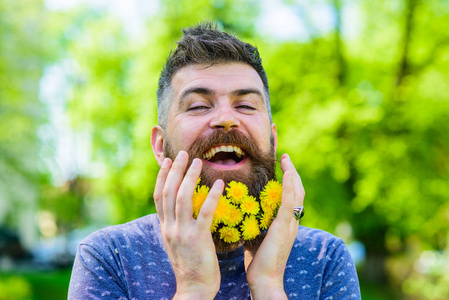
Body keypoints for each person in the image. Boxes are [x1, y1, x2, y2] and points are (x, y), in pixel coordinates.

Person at [68, 22, 361, 299]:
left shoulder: (326, 258)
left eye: (245, 105)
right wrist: (193, 289)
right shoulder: (109, 257)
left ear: (272, 141)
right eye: (198, 106)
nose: (225, 119)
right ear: (160, 146)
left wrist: (269, 286)